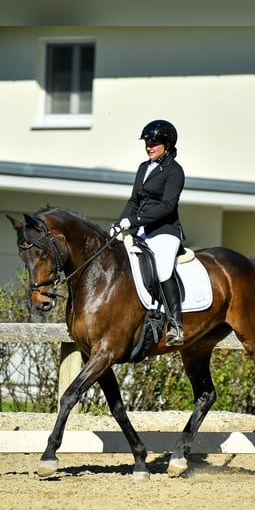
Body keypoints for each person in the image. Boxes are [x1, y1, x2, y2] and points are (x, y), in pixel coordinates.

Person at [109, 119, 185, 346]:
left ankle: (175, 324)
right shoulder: (144, 167)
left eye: (154, 143)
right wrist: (121, 222)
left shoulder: (175, 171)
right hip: (142, 230)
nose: (149, 146)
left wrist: (134, 220)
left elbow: (167, 207)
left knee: (162, 270)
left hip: (165, 231)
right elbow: (134, 200)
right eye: (147, 142)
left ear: (168, 145)